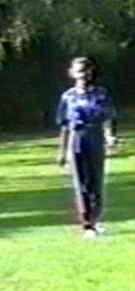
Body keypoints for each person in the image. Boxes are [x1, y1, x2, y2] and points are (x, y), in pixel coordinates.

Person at [56, 56, 118, 239]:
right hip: (77, 139)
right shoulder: (68, 97)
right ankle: (86, 224)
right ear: (72, 73)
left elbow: (107, 118)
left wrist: (109, 137)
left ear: (91, 72)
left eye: (85, 71)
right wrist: (62, 151)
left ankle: (96, 219)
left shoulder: (101, 94)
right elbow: (65, 126)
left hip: (95, 137)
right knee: (80, 183)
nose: (82, 75)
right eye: (78, 71)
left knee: (95, 182)